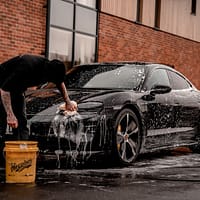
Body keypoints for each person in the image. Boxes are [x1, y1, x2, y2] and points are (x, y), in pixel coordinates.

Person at [0, 54, 77, 141]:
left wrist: (68, 102)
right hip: (3, 87)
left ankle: (23, 149)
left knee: (21, 122)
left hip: (17, 89)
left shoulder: (53, 69)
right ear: (48, 73)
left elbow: (60, 83)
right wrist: (10, 115)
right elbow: (4, 90)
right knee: (2, 120)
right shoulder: (28, 66)